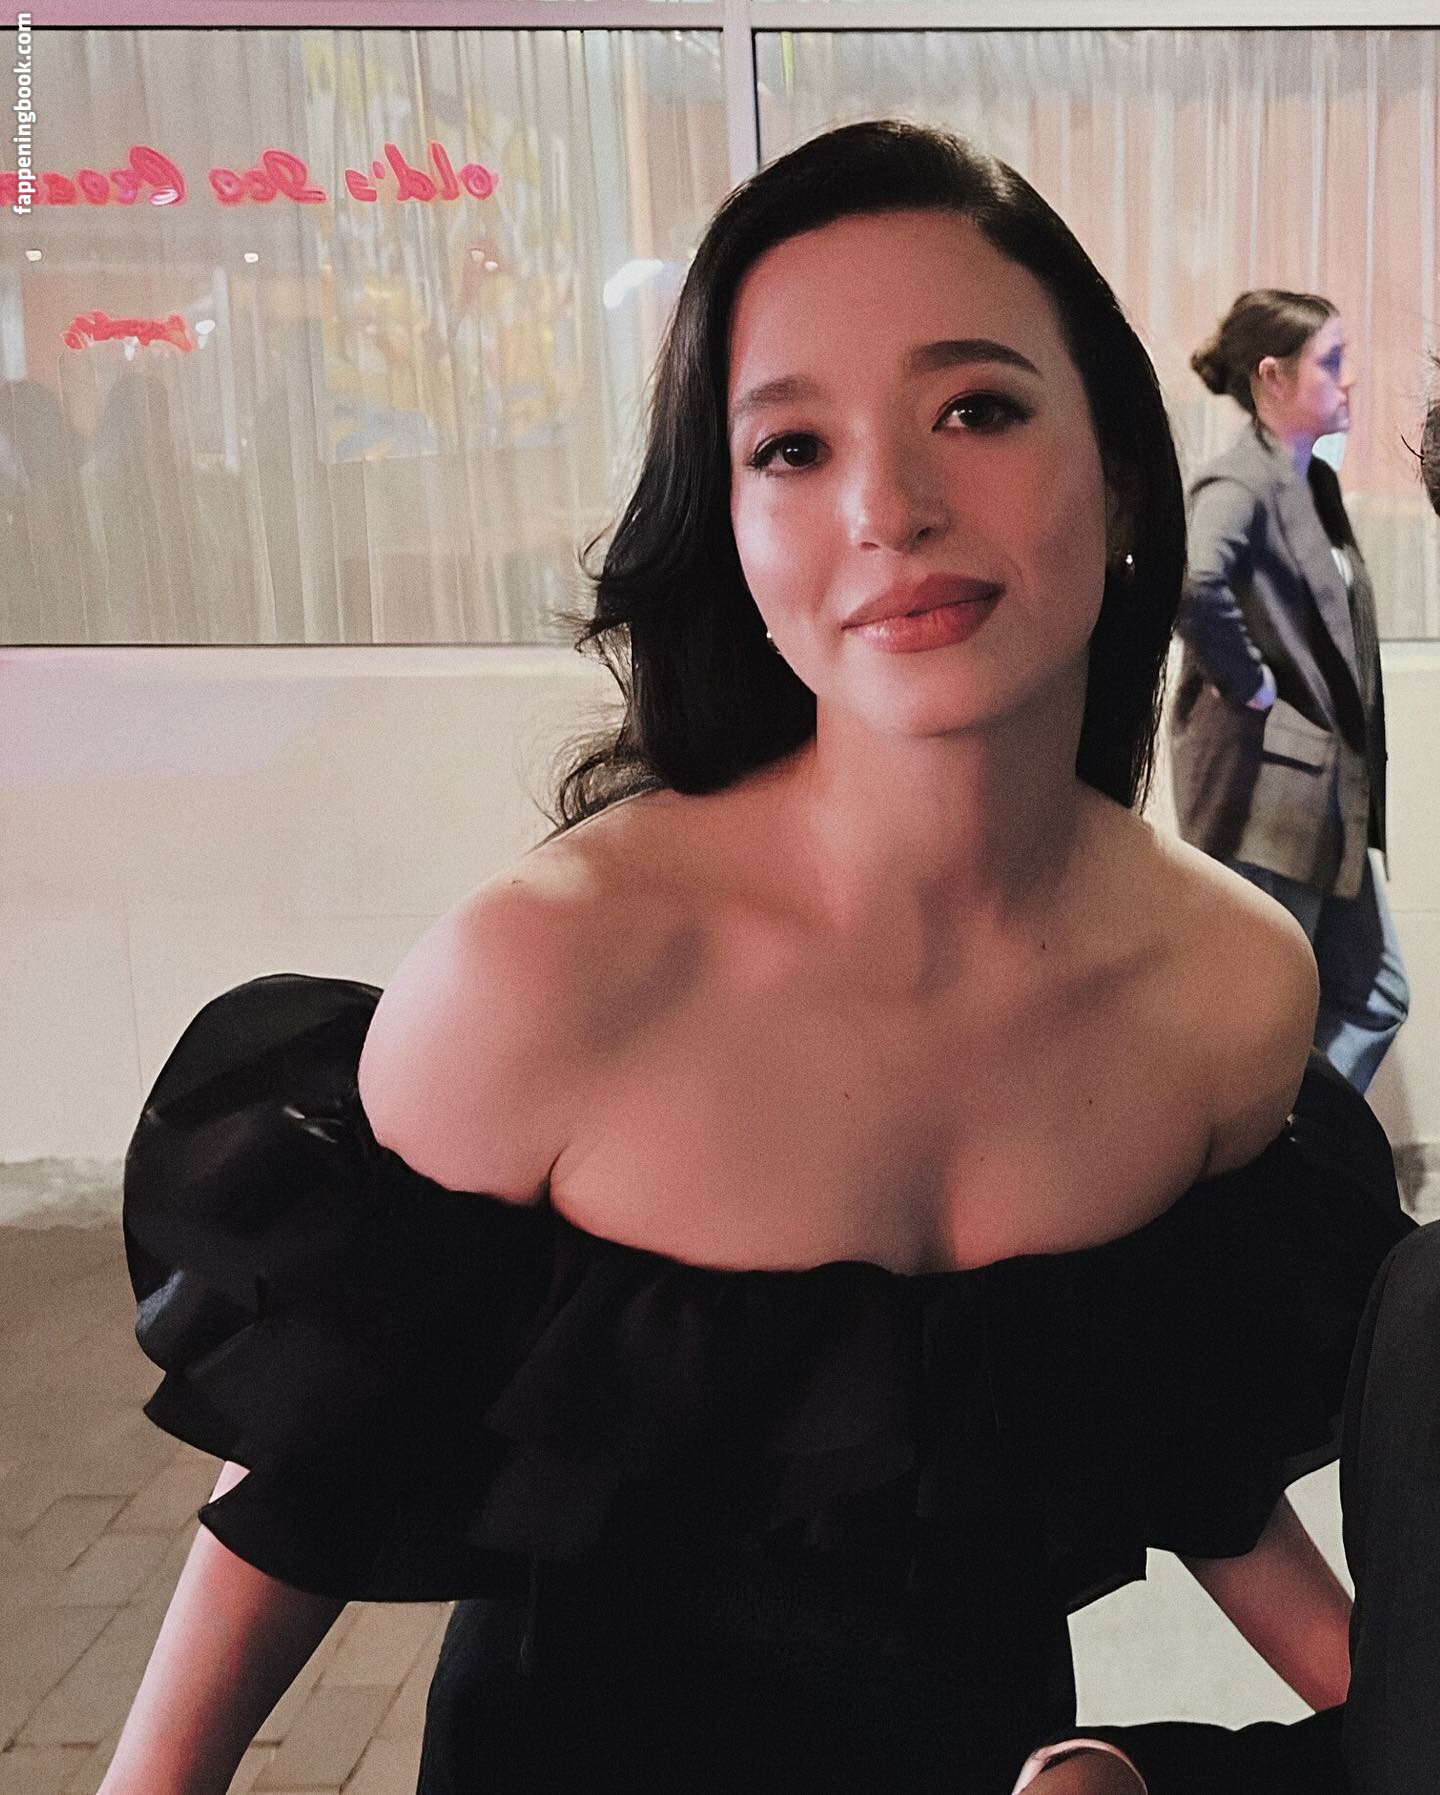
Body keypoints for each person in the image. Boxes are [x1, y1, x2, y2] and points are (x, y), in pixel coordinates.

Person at [104, 123, 1415, 1795]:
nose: (892, 507)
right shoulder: (547, 976)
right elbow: (316, 1459)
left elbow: (1166, 1427)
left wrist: (1399, 1697)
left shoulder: (1227, 995)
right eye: (792, 446)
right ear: (723, 520)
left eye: (978, 408)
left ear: (1119, 468)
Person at [1170, 291, 1407, 1094]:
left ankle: (1299, 1138)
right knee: (1277, 1014)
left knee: (1375, 992)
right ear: (1272, 377)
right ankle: (1277, 1146)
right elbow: (1195, 579)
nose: (1350, 379)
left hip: (1323, 797)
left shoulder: (1311, 483)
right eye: (1331, 362)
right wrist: (1253, 684)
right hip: (1271, 798)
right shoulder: (1241, 480)